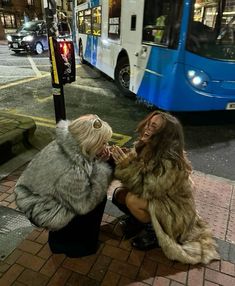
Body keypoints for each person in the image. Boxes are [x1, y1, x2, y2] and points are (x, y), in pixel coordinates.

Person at [111, 110, 220, 265]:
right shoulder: (145, 146)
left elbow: (146, 189)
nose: (147, 128)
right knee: (119, 194)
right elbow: (135, 176)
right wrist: (122, 159)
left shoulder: (171, 162)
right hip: (159, 200)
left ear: (164, 136)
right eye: (148, 123)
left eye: (154, 127)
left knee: (132, 200)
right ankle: (138, 222)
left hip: (174, 211)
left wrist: (126, 165)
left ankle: (154, 233)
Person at [14, 114, 113, 257]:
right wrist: (102, 166)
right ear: (90, 142)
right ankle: (78, 246)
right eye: (103, 143)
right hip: (44, 210)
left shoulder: (66, 143)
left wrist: (97, 159)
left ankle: (59, 240)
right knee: (98, 198)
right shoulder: (72, 170)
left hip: (36, 197)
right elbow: (84, 205)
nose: (106, 146)